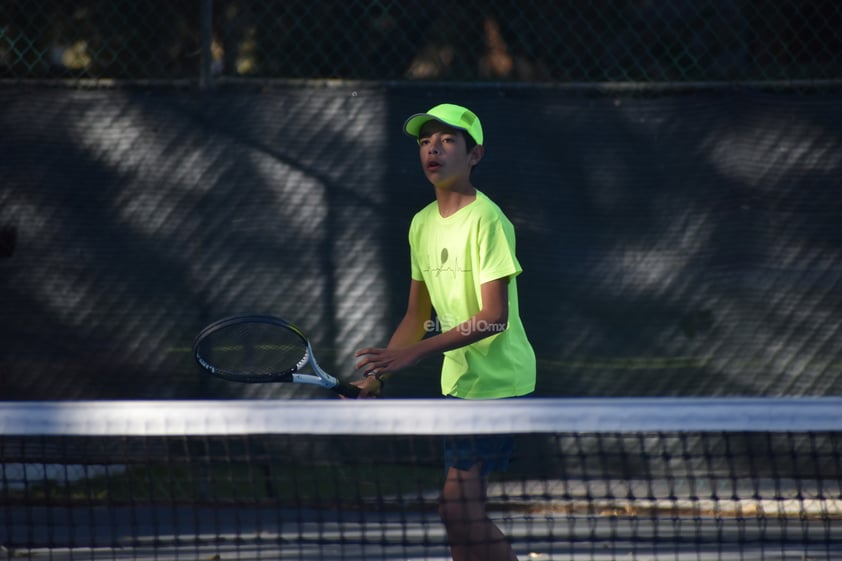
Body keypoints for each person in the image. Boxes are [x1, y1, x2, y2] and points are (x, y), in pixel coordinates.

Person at [353, 103, 536, 561]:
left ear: (475, 156)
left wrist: (414, 356)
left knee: (457, 510)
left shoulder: (488, 220)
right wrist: (377, 377)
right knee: (459, 516)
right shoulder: (421, 224)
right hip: (459, 384)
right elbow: (417, 316)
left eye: (448, 140)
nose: (433, 148)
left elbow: (495, 316)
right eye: (424, 141)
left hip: (499, 384)